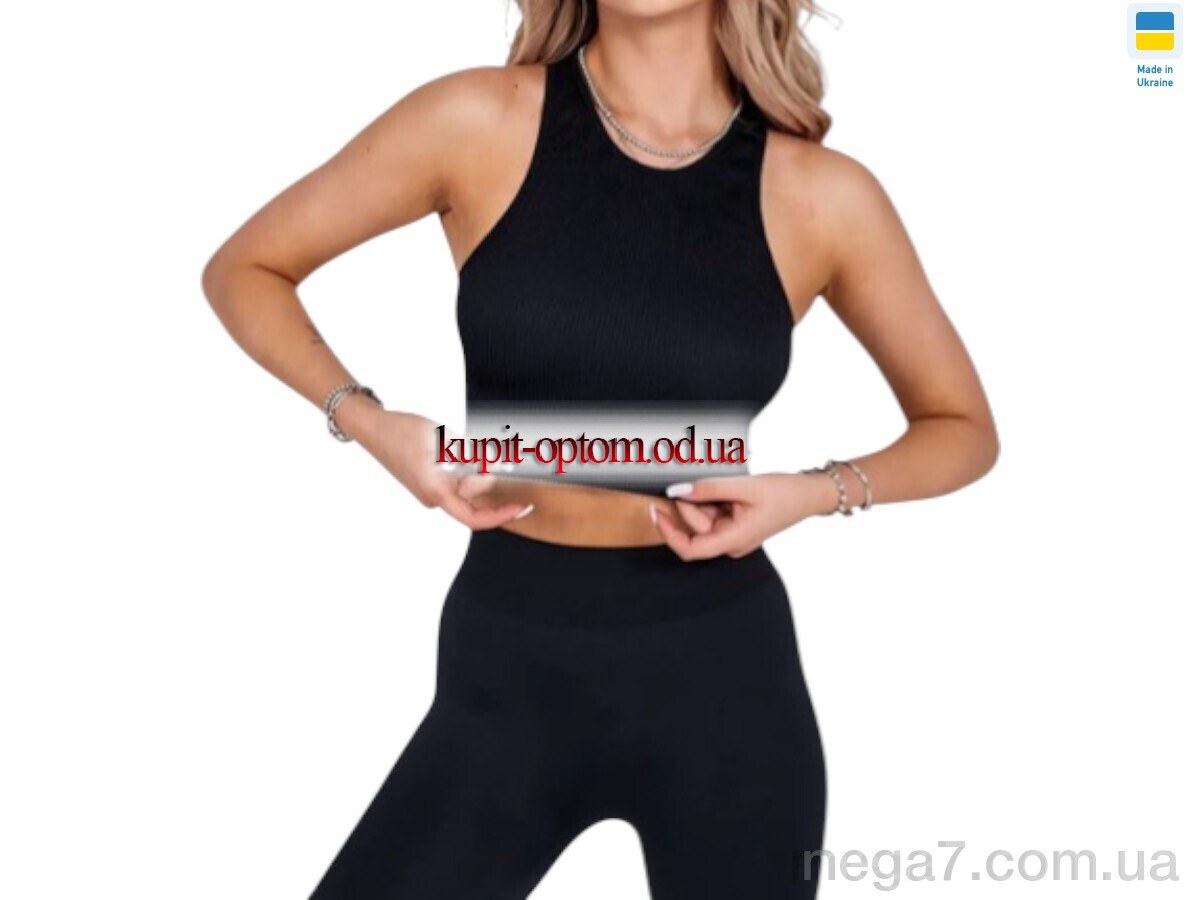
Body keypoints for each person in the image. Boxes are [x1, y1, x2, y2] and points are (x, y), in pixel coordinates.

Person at [202, 1, 999, 896]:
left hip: (724, 683)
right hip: (506, 666)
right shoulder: (477, 121)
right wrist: (371, 423)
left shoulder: (821, 194)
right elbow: (246, 268)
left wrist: (809, 493)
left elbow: (961, 427)